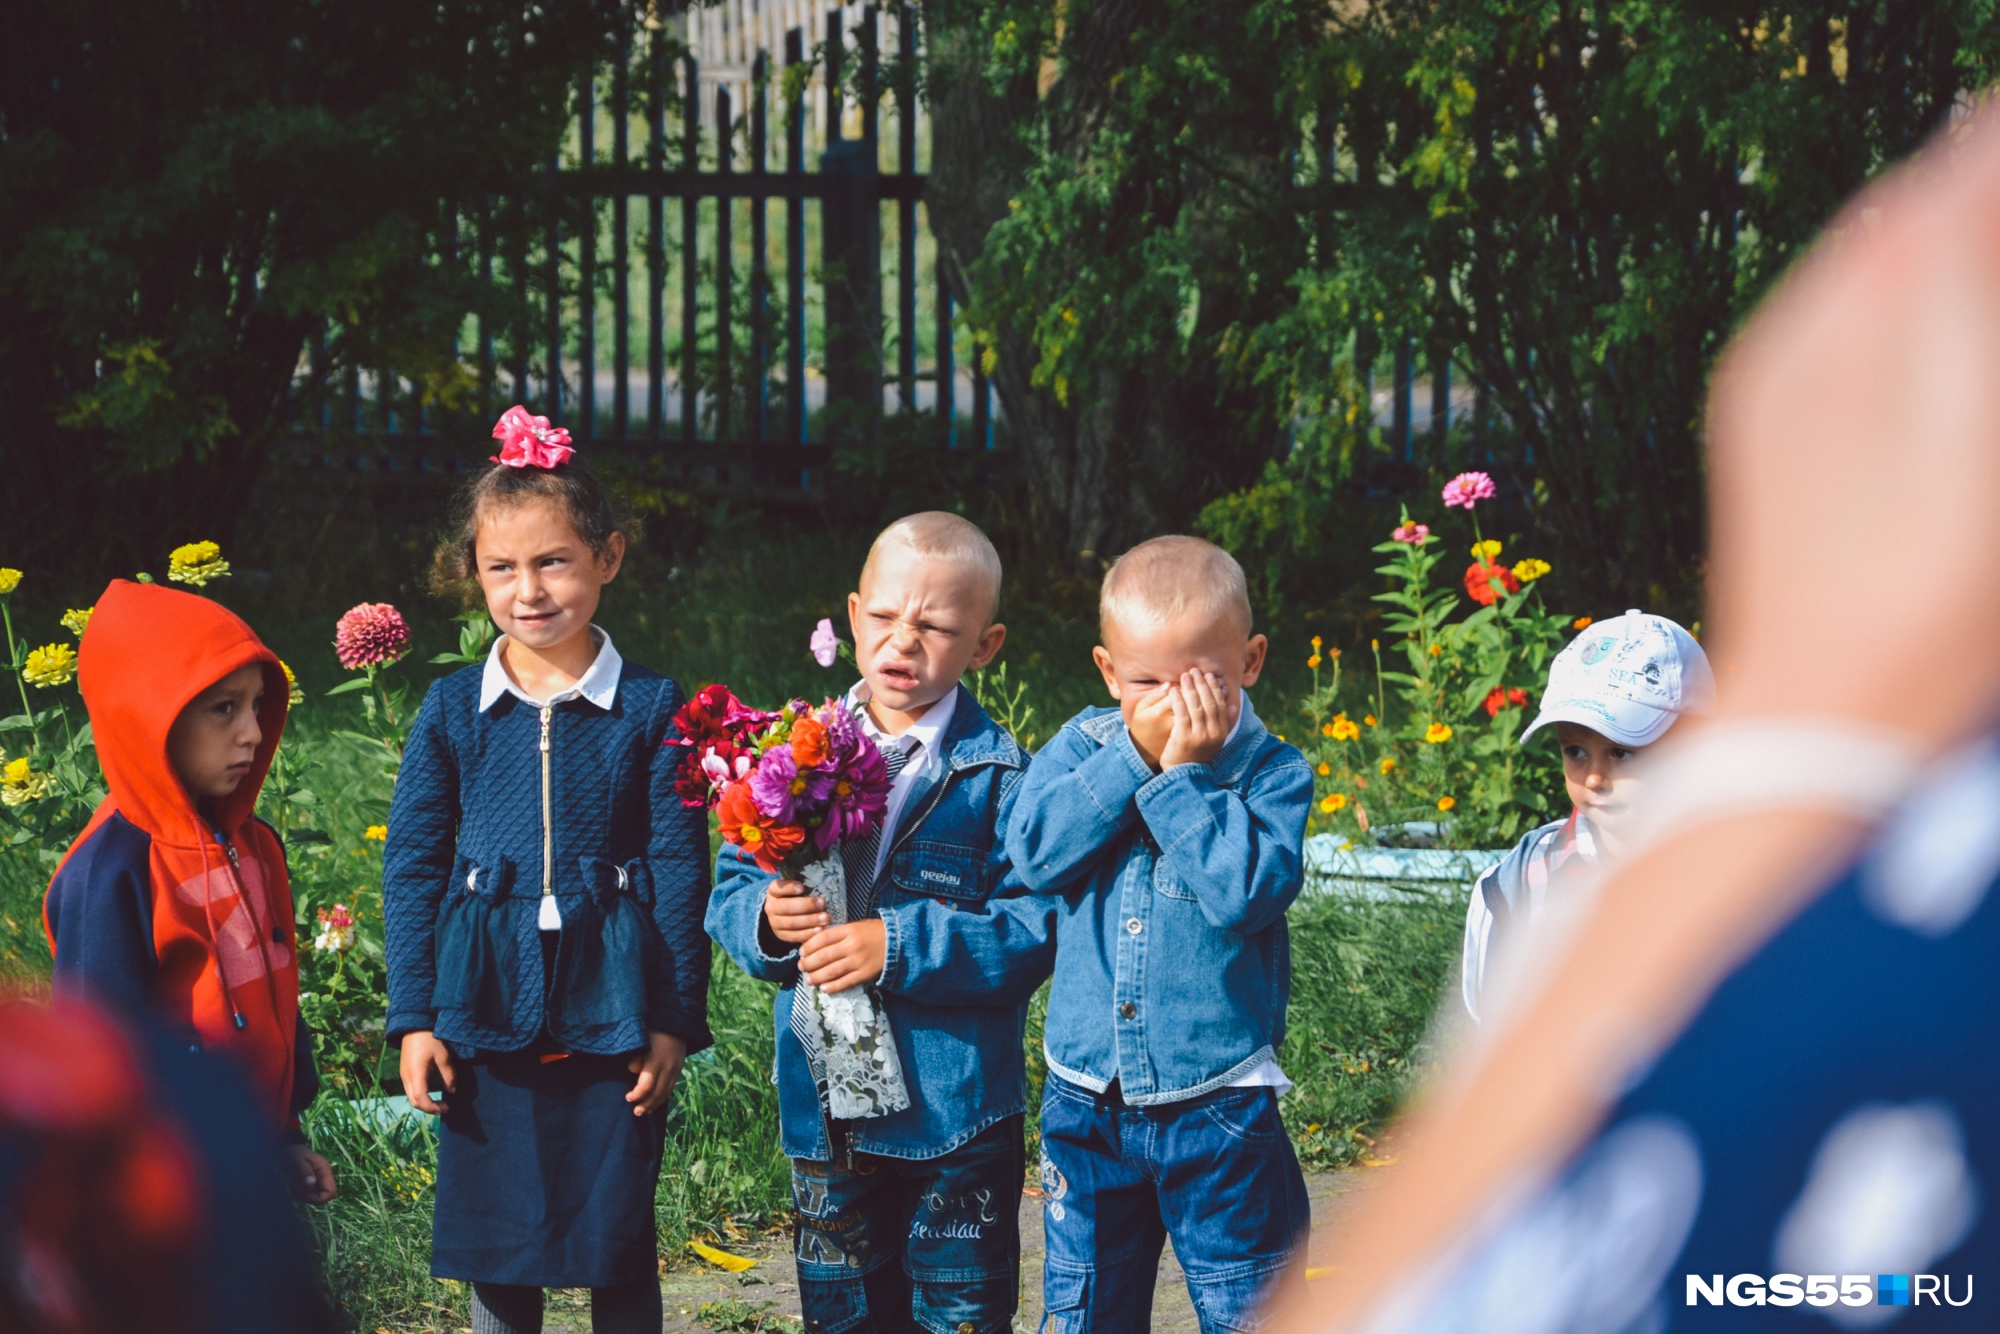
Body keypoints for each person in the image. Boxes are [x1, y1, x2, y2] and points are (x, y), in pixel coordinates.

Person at [1261, 94, 2000, 1334]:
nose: (1597, 777)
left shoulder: (1862, 918)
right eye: (1579, 751)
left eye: (1633, 750)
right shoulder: (1524, 889)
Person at [383, 414, 710, 1334]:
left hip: (614, 1003)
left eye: (555, 561)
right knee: (500, 1246)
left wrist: (674, 1019)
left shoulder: (650, 705)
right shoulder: (452, 708)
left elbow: (683, 863)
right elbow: (411, 862)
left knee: (616, 1237)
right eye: (502, 568)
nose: (529, 591)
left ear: (607, 556)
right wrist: (415, 1018)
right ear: (472, 571)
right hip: (483, 1003)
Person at [706, 512, 1054, 1334]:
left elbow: (1033, 930)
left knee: (958, 1316)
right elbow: (730, 882)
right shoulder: (791, 751)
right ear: (855, 616)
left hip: (956, 1116)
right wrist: (765, 917)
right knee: (845, 1317)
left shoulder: (1001, 778)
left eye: (936, 626)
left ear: (985, 645)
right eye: (889, 618)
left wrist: (896, 944)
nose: (905, 641)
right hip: (828, 1118)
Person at [1006, 535, 1314, 1333]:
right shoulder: (1082, 747)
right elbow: (1035, 854)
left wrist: (1182, 780)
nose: (1170, 705)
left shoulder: (1271, 772)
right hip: (1087, 1096)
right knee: (1083, 1307)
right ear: (1109, 672)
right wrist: (1134, 761)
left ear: (1249, 661)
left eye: (1198, 680)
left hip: (1217, 1102)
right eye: (1145, 682)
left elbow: (1248, 894)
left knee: (1248, 1303)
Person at [43, 576, 335, 1205]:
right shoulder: (111, 871)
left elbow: (277, 999)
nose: (253, 733)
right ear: (149, 717)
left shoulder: (256, 844)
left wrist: (284, 1135)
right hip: (165, 1184)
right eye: (223, 708)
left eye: (257, 704)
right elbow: (99, 1049)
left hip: (245, 1161)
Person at [1460, 610, 1713, 1023]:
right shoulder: (1517, 883)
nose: (1594, 777)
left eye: (1622, 751)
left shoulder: (1748, 872)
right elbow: (1492, 1024)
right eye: (1575, 751)